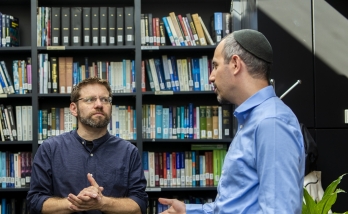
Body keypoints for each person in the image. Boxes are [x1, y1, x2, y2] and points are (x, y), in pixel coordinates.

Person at [159, 29, 305, 213]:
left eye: (215, 66)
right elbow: (236, 205)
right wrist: (189, 211)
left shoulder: (271, 123)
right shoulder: (254, 119)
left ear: (235, 64)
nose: (211, 76)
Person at [27, 77, 148, 214]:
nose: (99, 105)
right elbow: (34, 202)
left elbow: (140, 204)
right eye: (90, 99)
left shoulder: (128, 151)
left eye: (104, 99)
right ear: (74, 109)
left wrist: (103, 203)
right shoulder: (50, 149)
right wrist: (76, 203)